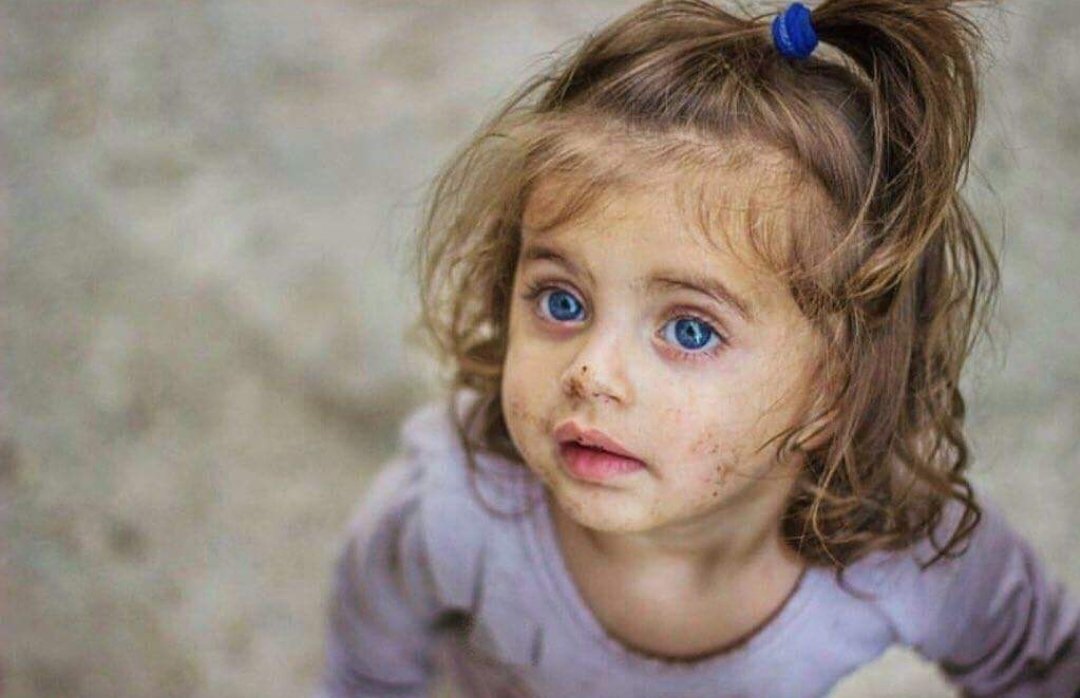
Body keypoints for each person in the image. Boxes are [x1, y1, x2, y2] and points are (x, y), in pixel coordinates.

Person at [315, 1, 1080, 696]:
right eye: (562, 302)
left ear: (836, 388)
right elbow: (367, 673)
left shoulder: (906, 555)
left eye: (690, 330)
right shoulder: (447, 507)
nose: (591, 372)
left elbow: (1042, 669)